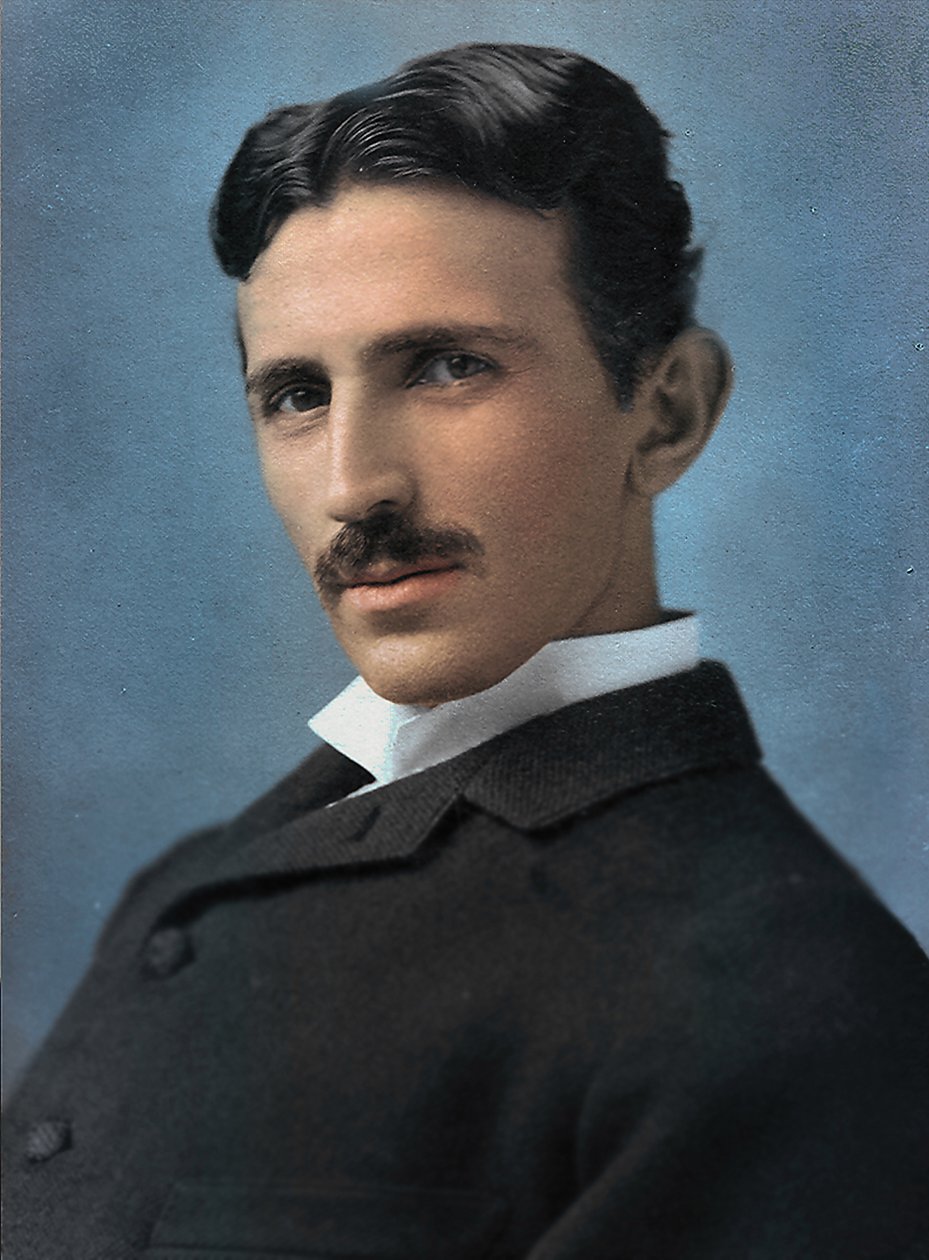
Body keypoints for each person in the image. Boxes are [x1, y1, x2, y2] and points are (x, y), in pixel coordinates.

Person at [5, 42, 928, 1259]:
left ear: (664, 416)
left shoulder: (788, 994)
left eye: (448, 367)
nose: (354, 486)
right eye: (297, 394)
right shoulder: (186, 882)